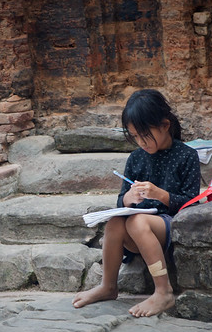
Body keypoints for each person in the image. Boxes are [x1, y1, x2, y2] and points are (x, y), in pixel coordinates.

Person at [72, 89, 201, 317]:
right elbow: (121, 200)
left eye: (145, 135)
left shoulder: (186, 156)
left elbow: (191, 203)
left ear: (164, 125)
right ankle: (108, 286)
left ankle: (163, 291)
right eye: (134, 136)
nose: (141, 142)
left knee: (138, 222)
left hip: (169, 225)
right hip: (138, 229)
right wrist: (128, 199)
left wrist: (161, 195)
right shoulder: (135, 158)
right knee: (115, 223)